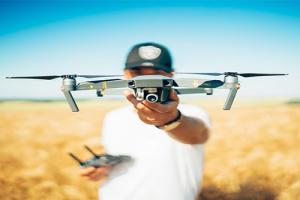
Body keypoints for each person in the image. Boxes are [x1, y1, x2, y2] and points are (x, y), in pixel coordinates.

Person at [80, 42, 211, 200]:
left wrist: (170, 119)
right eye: (138, 73)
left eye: (156, 73)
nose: (147, 81)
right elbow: (116, 157)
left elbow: (197, 135)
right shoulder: (112, 117)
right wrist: (103, 169)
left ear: (171, 74)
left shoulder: (194, 113)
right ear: (125, 74)